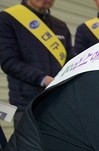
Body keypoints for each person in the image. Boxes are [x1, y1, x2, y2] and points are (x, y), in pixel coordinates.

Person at [0, 0, 74, 130]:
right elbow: (9, 61)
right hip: (27, 103)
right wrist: (44, 79)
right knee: (29, 148)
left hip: (59, 101)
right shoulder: (8, 19)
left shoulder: (60, 25)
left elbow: (71, 58)